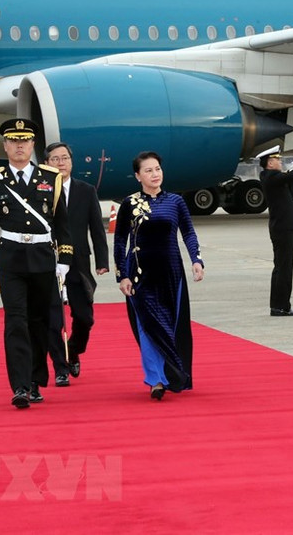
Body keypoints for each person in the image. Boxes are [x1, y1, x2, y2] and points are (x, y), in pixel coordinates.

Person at [0, 118, 72, 409]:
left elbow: (61, 222)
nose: (19, 146)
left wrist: (65, 259)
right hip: (10, 259)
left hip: (43, 258)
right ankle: (20, 386)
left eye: (24, 141)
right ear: (5, 146)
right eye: (13, 141)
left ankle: (35, 380)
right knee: (15, 320)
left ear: (32, 145)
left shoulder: (50, 177)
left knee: (39, 321)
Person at [114, 151, 204, 399]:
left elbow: (188, 232)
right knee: (148, 325)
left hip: (171, 271)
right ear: (137, 176)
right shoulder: (130, 203)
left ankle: (173, 374)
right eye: (148, 170)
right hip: (140, 274)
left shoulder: (176, 201)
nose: (155, 174)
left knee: (171, 324)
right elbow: (120, 240)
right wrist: (122, 275)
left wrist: (196, 259)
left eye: (157, 169)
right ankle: (155, 380)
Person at [44, 142, 110, 386]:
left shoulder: (86, 191)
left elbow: (97, 228)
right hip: (48, 262)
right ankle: (60, 367)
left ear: (72, 162)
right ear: (46, 163)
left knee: (85, 317)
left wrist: (102, 260)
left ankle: (73, 349)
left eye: (65, 158)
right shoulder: (40, 190)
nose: (61, 163)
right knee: (53, 320)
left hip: (79, 263)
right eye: (55, 159)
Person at [258, 146, 293, 316]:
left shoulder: (271, 177)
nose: (280, 162)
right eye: (277, 159)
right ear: (270, 163)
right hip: (283, 227)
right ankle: (281, 306)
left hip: (282, 227)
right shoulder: (271, 177)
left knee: (281, 267)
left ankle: (280, 305)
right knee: (284, 268)